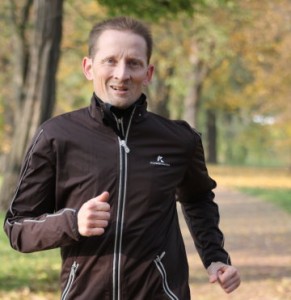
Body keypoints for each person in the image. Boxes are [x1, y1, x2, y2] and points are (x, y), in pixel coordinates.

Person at [4, 16, 240, 299]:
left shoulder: (179, 139)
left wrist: (215, 257)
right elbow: (17, 229)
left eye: (134, 63)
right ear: (88, 67)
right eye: (110, 61)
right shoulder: (56, 136)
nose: (122, 74)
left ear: (149, 73)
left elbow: (197, 198)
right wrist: (73, 223)